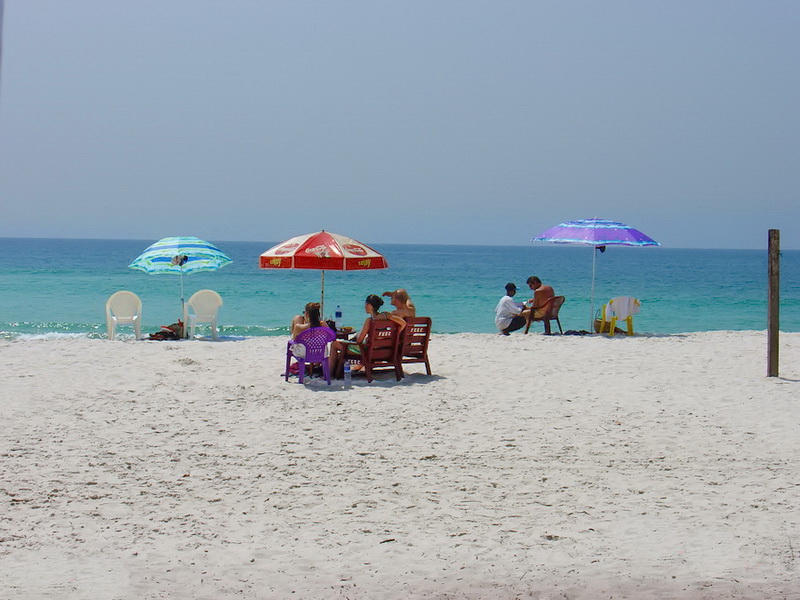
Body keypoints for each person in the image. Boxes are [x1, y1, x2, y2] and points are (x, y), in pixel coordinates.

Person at [330, 294, 406, 378]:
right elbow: (403, 323)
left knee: (335, 344)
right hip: (384, 350)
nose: (365, 306)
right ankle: (339, 371)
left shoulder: (370, 321)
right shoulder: (386, 315)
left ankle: (329, 374)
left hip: (368, 352)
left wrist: (354, 339)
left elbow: (359, 341)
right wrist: (395, 335)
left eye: (365, 304)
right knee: (344, 347)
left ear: (370, 305)